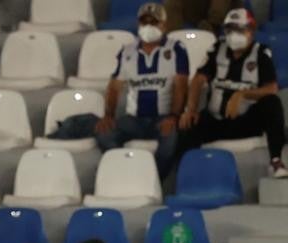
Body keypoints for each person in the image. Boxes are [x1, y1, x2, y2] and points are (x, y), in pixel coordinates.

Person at [179, 8, 288, 178]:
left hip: (246, 121)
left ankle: (275, 161)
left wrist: (243, 95)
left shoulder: (260, 53)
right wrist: (190, 108)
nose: (233, 34)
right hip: (216, 120)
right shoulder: (217, 49)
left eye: (239, 29)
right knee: (188, 123)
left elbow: (272, 88)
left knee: (272, 103)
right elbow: (199, 79)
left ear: (251, 31)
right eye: (229, 30)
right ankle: (187, 173)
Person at [96, 3, 188, 176]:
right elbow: (114, 87)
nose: (148, 26)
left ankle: (153, 180)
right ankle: (127, 174)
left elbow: (181, 86)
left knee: (171, 141)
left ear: (164, 25)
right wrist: (108, 115)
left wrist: (174, 116)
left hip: (163, 118)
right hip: (134, 120)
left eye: (154, 22)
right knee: (104, 134)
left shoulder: (176, 49)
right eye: (144, 22)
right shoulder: (127, 52)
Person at [163, 0, 243, 33]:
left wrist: (213, 24)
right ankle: (174, 39)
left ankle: (212, 27)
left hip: (225, 14)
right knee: (172, 2)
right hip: (197, 12)